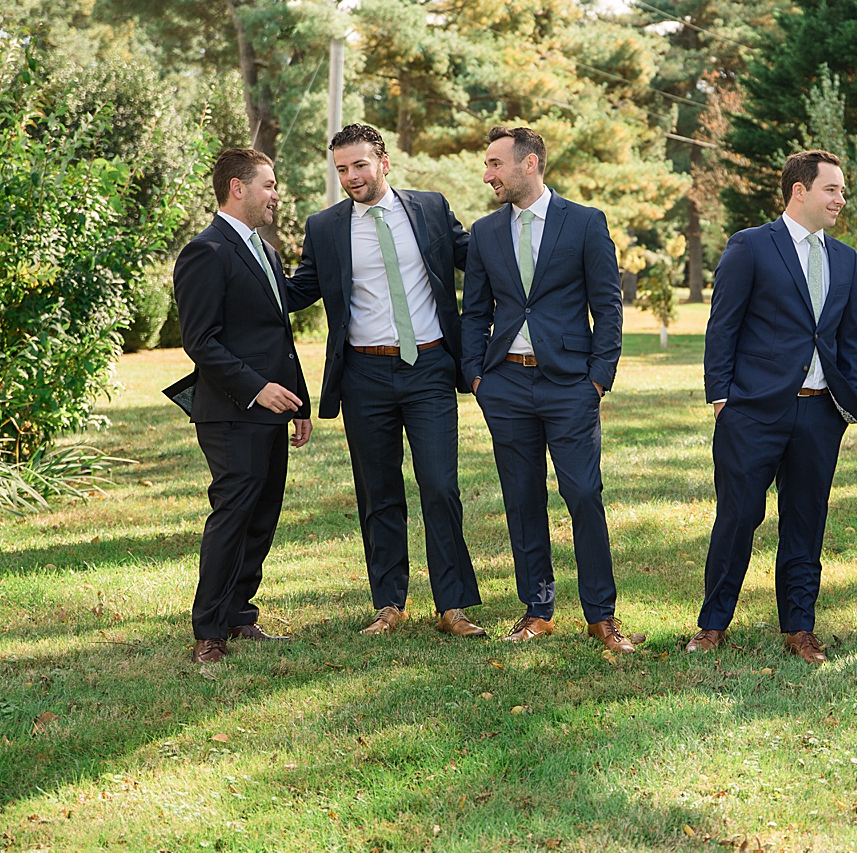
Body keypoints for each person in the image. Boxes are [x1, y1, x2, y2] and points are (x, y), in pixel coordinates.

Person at [285, 124, 484, 638]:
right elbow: (301, 287)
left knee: (440, 486)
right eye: (342, 169)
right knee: (378, 492)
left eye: (359, 166)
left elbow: (478, 260)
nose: (351, 177)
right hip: (363, 375)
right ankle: (389, 604)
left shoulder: (430, 209)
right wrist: (237, 270)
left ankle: (453, 606)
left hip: (430, 367)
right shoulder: (325, 227)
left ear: (384, 163)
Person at [686, 150, 857, 664]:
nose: (840, 199)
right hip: (751, 412)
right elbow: (723, 326)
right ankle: (713, 624)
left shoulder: (844, 258)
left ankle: (800, 628)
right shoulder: (750, 246)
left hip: (818, 413)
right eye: (832, 189)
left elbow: (848, 335)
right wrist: (722, 398)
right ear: (799, 191)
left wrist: (843, 395)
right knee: (738, 518)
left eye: (842, 191)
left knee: (806, 521)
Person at [461, 126, 633, 653]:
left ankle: (601, 616)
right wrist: (477, 377)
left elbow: (608, 306)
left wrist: (598, 377)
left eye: (495, 164)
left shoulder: (584, 223)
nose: (487, 174)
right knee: (521, 497)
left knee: (583, 493)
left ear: (529, 163)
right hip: (506, 383)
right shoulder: (486, 232)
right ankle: (537, 609)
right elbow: (475, 311)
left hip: (570, 386)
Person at [173, 148, 311, 663]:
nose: (276, 195)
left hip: (273, 411)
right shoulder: (205, 251)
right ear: (237, 187)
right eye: (269, 185)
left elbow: (279, 332)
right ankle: (208, 633)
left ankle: (238, 615)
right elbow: (202, 341)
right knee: (233, 515)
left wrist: (297, 403)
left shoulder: (266, 251)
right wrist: (257, 389)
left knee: (262, 516)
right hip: (231, 411)